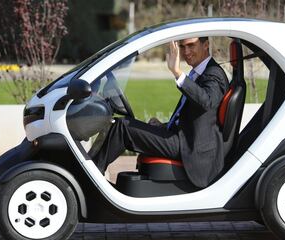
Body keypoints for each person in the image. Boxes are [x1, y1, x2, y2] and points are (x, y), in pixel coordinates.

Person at [90, 37, 229, 188]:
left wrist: (177, 73)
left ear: (206, 45)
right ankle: (92, 171)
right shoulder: (199, 72)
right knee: (120, 125)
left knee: (122, 127)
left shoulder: (213, 74)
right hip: (182, 138)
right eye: (182, 47)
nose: (186, 51)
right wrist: (164, 126)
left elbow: (207, 102)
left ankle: (89, 177)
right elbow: (190, 116)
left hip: (191, 147)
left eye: (191, 45)